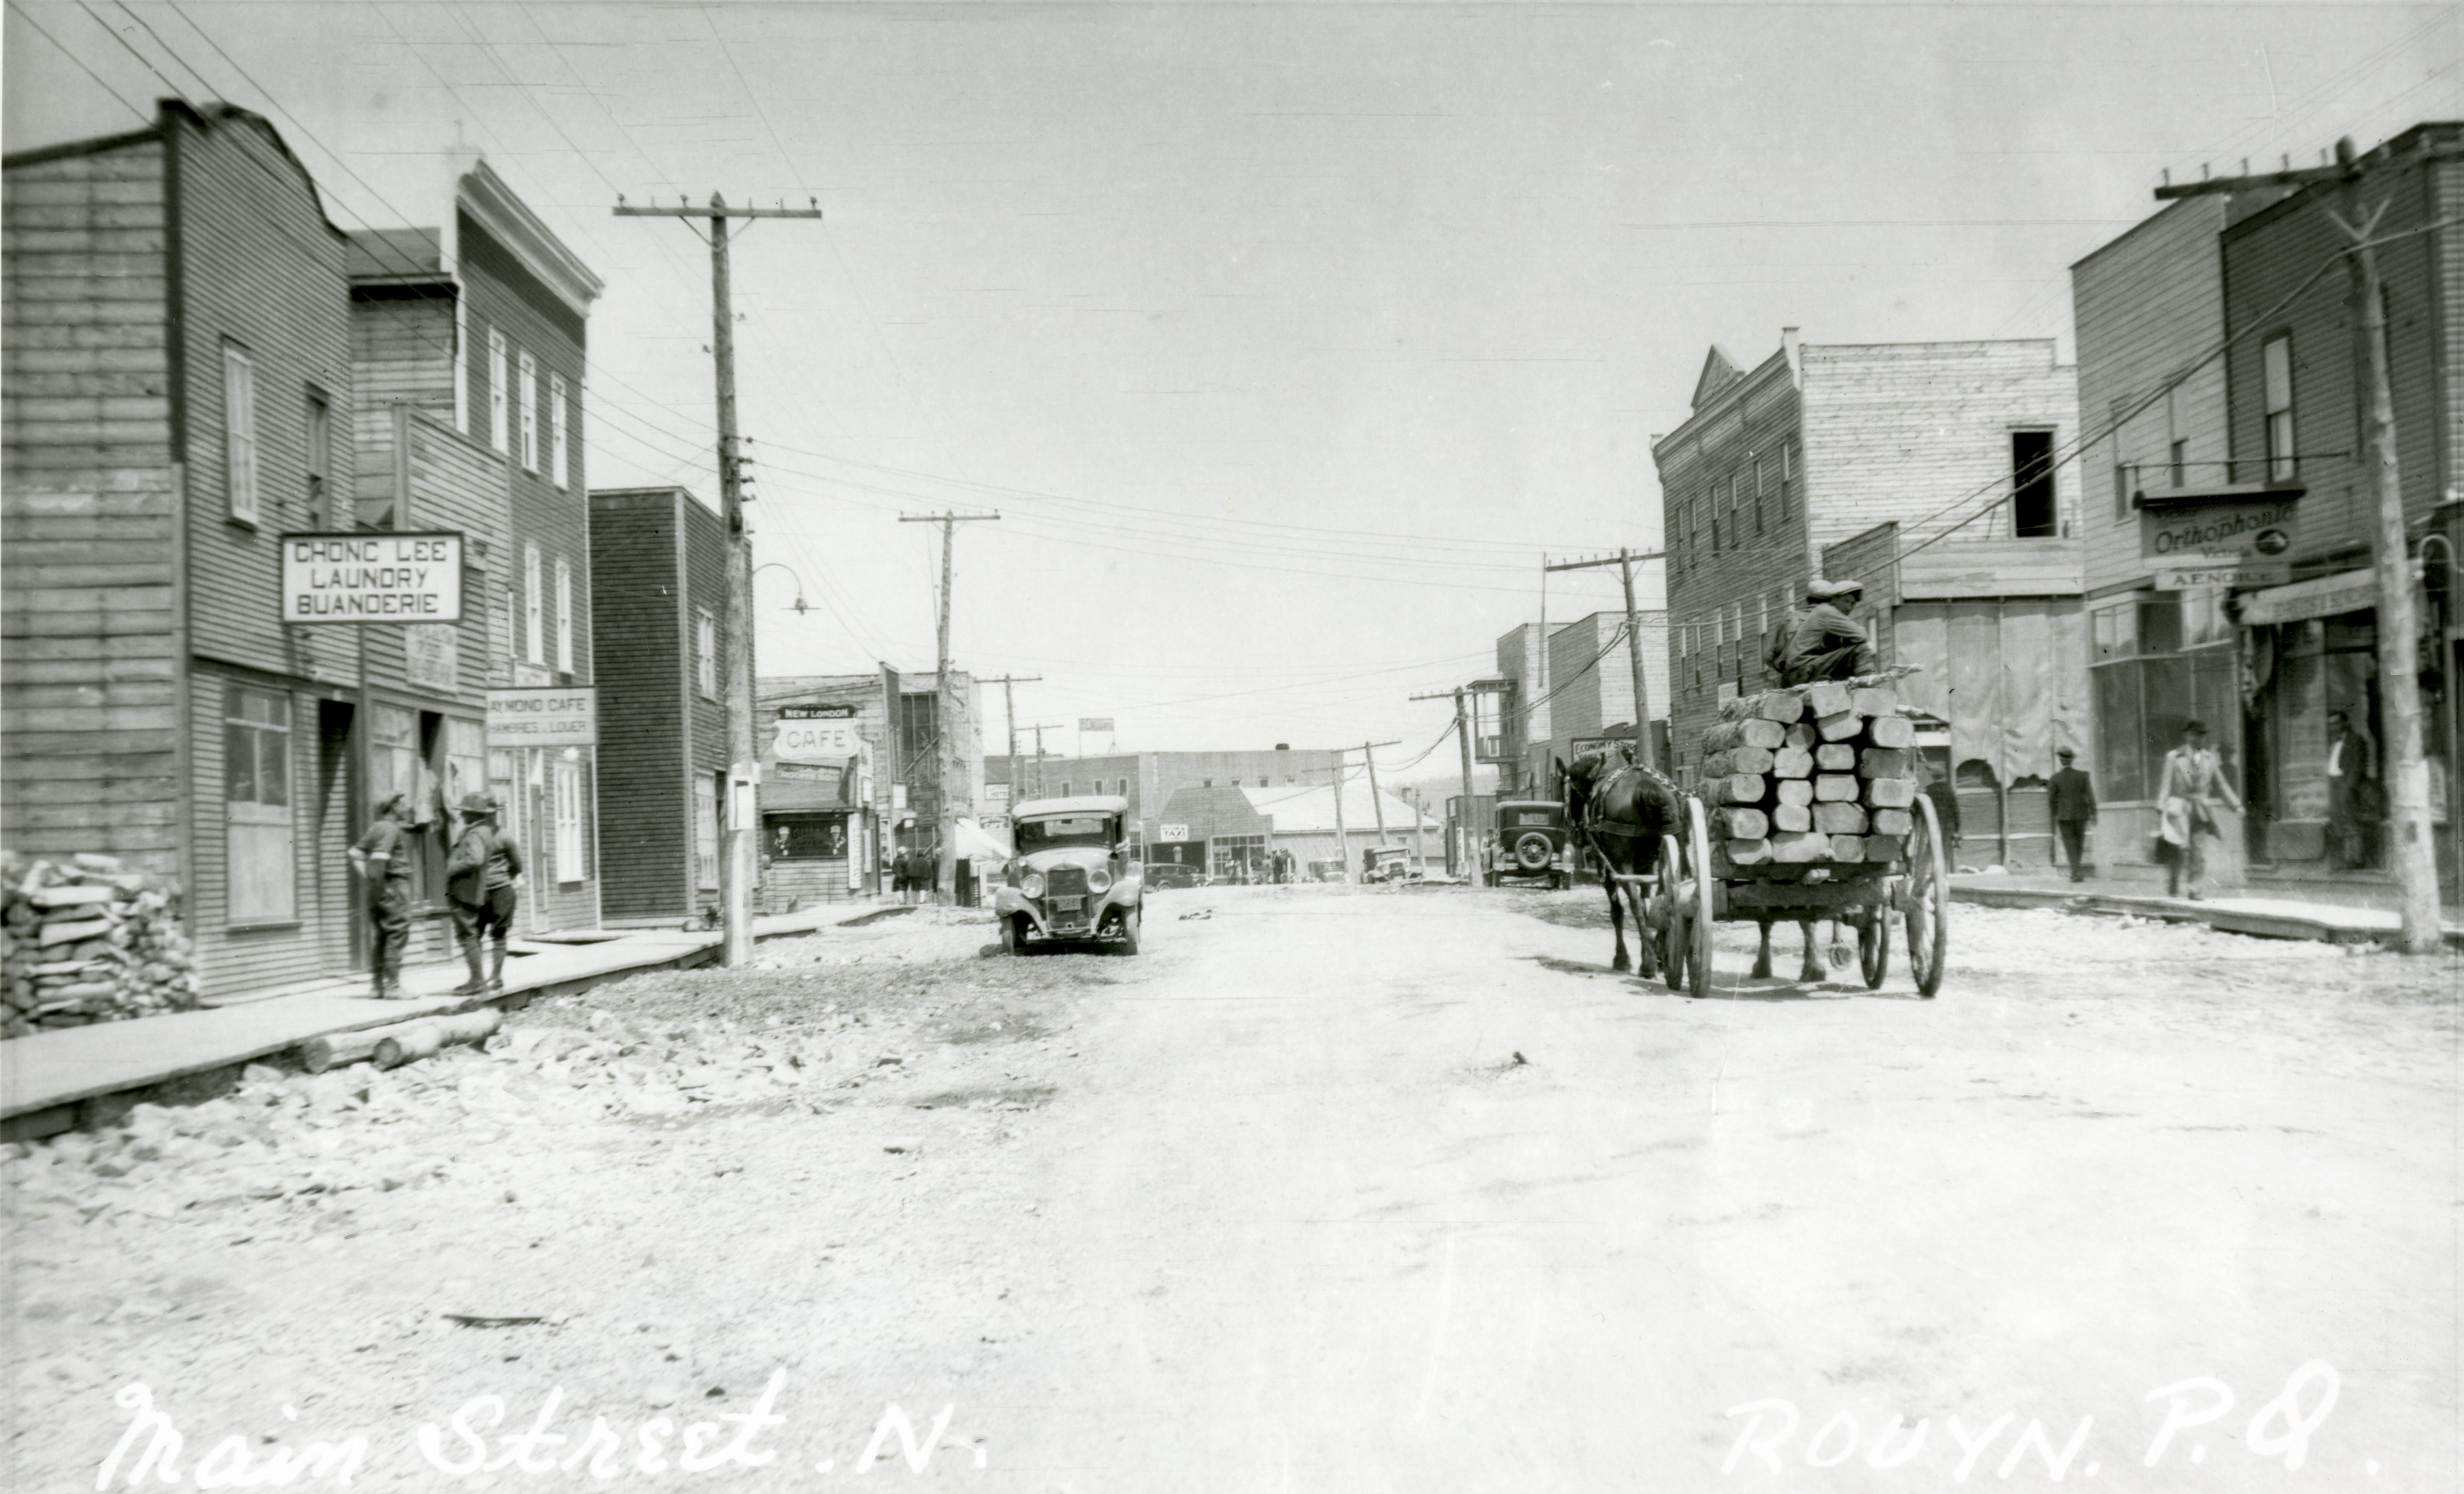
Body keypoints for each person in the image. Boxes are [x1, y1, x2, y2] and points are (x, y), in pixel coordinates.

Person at [444, 791, 523, 994]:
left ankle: (484, 979)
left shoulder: (475, 834)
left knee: (476, 935)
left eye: (492, 813)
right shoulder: (501, 835)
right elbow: (517, 864)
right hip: (498, 890)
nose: (491, 817)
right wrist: (507, 877)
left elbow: (475, 860)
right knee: (495, 935)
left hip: (481, 892)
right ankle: (492, 978)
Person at [2157, 720, 2241, 900]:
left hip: (2201, 809)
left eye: (2202, 735)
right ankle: (2173, 882)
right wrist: (2161, 805)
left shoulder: (2209, 759)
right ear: (2187, 736)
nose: (2198, 739)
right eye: (2194, 735)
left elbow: (2221, 785)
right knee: (2178, 849)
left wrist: (2236, 805)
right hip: (2179, 808)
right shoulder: (2174, 757)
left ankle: (2194, 890)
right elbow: (2166, 784)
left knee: (2199, 852)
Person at [347, 793, 414, 999]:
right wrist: (382, 883)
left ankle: (377, 987)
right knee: (397, 933)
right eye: (403, 805)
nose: (406, 808)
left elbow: (355, 853)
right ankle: (393, 988)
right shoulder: (391, 829)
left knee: (383, 937)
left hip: (379, 889)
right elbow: (379, 859)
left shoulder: (376, 827)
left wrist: (371, 879)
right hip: (393, 886)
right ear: (393, 807)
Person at [1772, 578, 1878, 686]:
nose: (1849, 607)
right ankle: (1869, 685)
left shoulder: (1825, 612)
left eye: (1853, 603)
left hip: (1803, 672)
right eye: (1846, 601)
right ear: (1834, 599)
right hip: (1804, 672)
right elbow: (1861, 636)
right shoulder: (1827, 612)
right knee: (1861, 649)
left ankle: (1862, 684)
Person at [2325, 709, 2380, 870]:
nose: (2333, 727)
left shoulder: (2355, 740)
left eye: (2336, 723)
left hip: (2346, 785)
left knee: (2351, 821)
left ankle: (2355, 860)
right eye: (2330, 725)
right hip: (2335, 784)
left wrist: (2349, 787)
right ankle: (2347, 859)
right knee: (2340, 821)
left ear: (2345, 723)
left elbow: (2358, 766)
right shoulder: (2334, 743)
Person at [2049, 747, 2097, 883]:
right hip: (2081, 815)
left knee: (2070, 844)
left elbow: (2051, 800)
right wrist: (2094, 813)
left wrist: (2055, 815)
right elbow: (2090, 796)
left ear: (2061, 761)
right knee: (2079, 844)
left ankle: (2076, 872)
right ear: (2072, 760)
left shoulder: (2055, 778)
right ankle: (2076, 871)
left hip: (2064, 817)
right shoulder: (2083, 776)